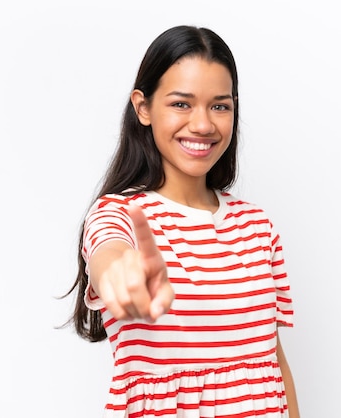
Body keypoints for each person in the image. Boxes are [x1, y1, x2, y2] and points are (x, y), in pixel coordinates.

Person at [65, 25, 300, 418]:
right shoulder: (119, 214)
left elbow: (273, 364)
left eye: (220, 106)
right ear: (143, 107)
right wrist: (120, 273)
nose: (203, 125)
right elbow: (109, 251)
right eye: (181, 104)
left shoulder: (257, 228)